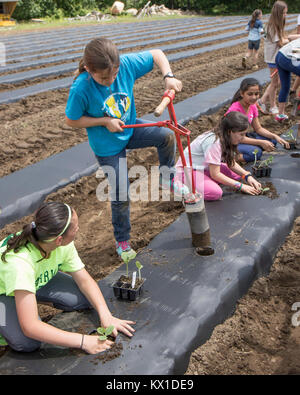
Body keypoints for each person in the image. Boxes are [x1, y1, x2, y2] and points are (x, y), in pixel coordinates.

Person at [65, 38, 184, 260]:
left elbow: (157, 53)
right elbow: (72, 120)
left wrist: (168, 76)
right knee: (121, 192)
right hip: (107, 145)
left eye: (114, 74)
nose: (110, 80)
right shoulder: (81, 87)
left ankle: (167, 179)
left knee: (167, 136)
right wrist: (103, 121)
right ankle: (122, 241)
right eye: (103, 78)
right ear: (89, 69)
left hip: (129, 129)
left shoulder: (126, 64)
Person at [0, 202, 135, 353]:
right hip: (4, 292)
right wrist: (83, 341)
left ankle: (28, 300)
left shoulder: (58, 243)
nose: (78, 229)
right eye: (75, 228)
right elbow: (30, 327)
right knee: (28, 342)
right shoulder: (20, 264)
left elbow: (84, 281)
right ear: (59, 239)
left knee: (84, 299)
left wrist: (106, 315)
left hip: (32, 280)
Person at [174, 112, 262, 201]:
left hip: (203, 168)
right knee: (215, 193)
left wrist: (247, 176)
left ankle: (204, 181)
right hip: (186, 172)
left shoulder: (226, 137)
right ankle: (180, 186)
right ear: (230, 132)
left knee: (236, 175)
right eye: (241, 134)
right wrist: (241, 186)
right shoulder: (214, 142)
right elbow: (215, 174)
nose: (243, 138)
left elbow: (230, 162)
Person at [226, 78, 289, 163]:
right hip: (232, 141)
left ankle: (251, 148)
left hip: (243, 136)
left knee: (273, 141)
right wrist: (260, 142)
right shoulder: (235, 109)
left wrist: (275, 136)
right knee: (256, 153)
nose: (254, 97)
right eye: (250, 94)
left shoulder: (252, 106)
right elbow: (237, 137)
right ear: (242, 93)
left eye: (256, 94)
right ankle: (228, 157)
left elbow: (258, 128)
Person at [257, 1, 289, 117]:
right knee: (275, 83)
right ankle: (272, 106)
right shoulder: (272, 26)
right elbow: (280, 42)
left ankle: (262, 100)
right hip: (272, 58)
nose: (285, 15)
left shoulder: (272, 25)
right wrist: (290, 40)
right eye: (284, 13)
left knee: (277, 82)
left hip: (274, 56)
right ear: (278, 13)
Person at [275, 36, 300, 118]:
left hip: (280, 54)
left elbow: (291, 37)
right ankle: (298, 106)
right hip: (289, 57)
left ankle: (280, 115)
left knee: (285, 86)